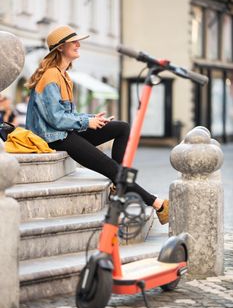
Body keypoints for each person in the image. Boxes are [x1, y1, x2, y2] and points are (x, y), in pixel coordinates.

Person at [25, 25, 168, 225]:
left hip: (64, 133)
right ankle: (157, 204)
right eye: (73, 42)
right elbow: (55, 119)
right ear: (60, 47)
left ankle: (119, 187)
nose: (78, 44)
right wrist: (87, 122)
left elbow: (66, 115)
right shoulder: (50, 75)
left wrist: (93, 119)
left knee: (121, 127)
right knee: (112, 168)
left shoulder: (63, 75)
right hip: (54, 138)